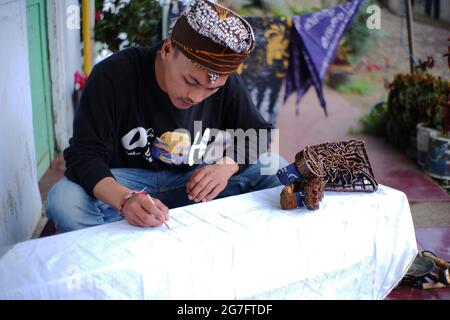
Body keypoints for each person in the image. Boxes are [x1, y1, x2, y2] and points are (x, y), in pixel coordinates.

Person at [46, 0, 287, 233]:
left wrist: (225, 166)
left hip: (191, 180)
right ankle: (106, 259)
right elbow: (84, 155)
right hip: (127, 181)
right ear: (167, 49)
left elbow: (258, 133)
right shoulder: (113, 75)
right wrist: (125, 198)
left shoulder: (226, 83)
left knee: (275, 168)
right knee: (64, 200)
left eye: (211, 89)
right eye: (190, 80)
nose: (196, 96)